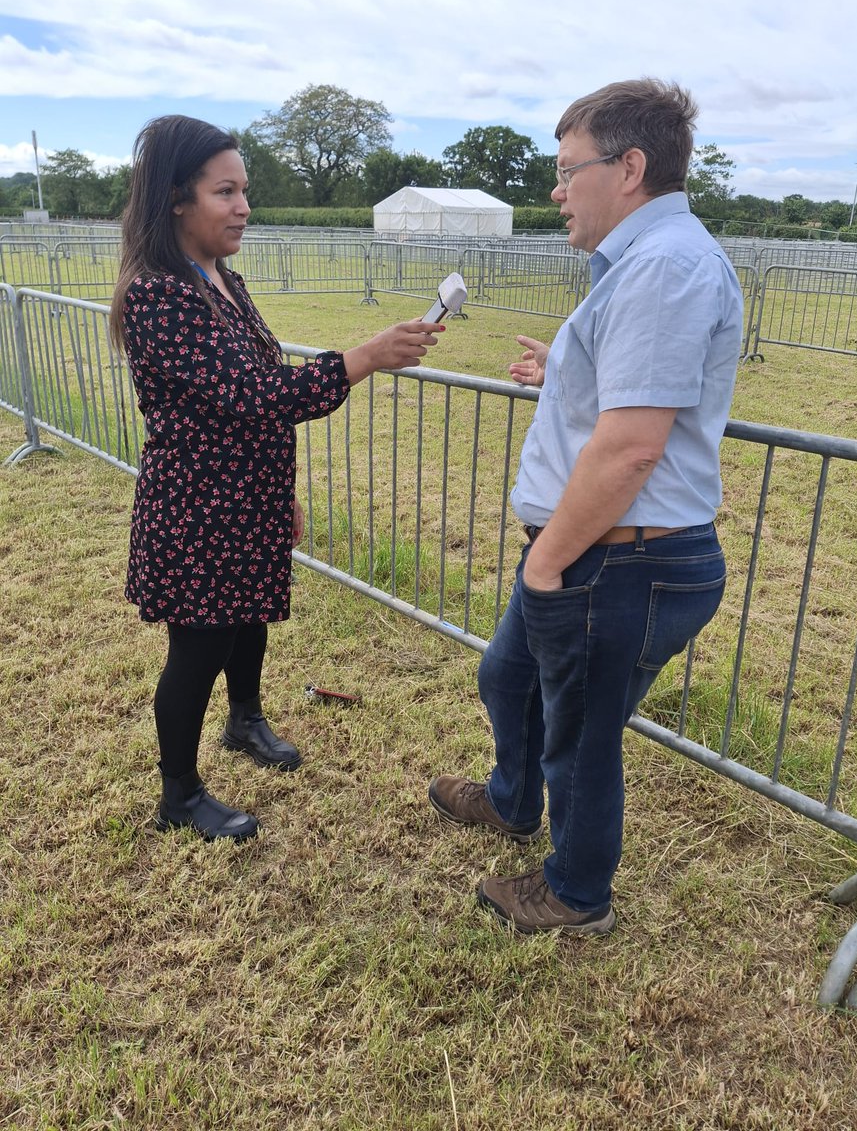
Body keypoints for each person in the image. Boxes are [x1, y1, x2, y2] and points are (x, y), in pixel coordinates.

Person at [428, 79, 743, 933]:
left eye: (569, 170)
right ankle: (511, 802)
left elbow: (634, 446)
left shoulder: (667, 266)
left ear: (630, 166)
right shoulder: (644, 264)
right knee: (509, 678)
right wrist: (562, 372)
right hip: (599, 550)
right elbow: (623, 402)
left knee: (580, 735)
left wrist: (546, 559)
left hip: (618, 558)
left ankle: (574, 893)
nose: (556, 190)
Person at [110, 115, 443, 842]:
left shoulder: (221, 279)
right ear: (175, 199)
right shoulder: (157, 295)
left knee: (249, 614)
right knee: (199, 644)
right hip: (196, 504)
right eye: (224, 191)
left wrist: (277, 491)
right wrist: (363, 356)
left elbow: (256, 387)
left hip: (247, 492)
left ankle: (245, 720)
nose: (243, 207)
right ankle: (179, 793)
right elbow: (257, 397)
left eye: (245, 191)